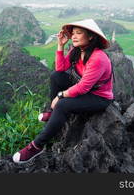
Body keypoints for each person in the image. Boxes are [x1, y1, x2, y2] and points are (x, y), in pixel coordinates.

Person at [12, 19, 114, 164]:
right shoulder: (78, 50)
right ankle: (54, 113)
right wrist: (60, 45)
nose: (73, 36)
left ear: (91, 36)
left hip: (98, 97)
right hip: (84, 89)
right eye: (73, 33)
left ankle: (37, 146)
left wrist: (60, 96)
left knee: (63, 104)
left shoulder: (98, 58)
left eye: (78, 33)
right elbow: (60, 68)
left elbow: (83, 87)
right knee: (56, 76)